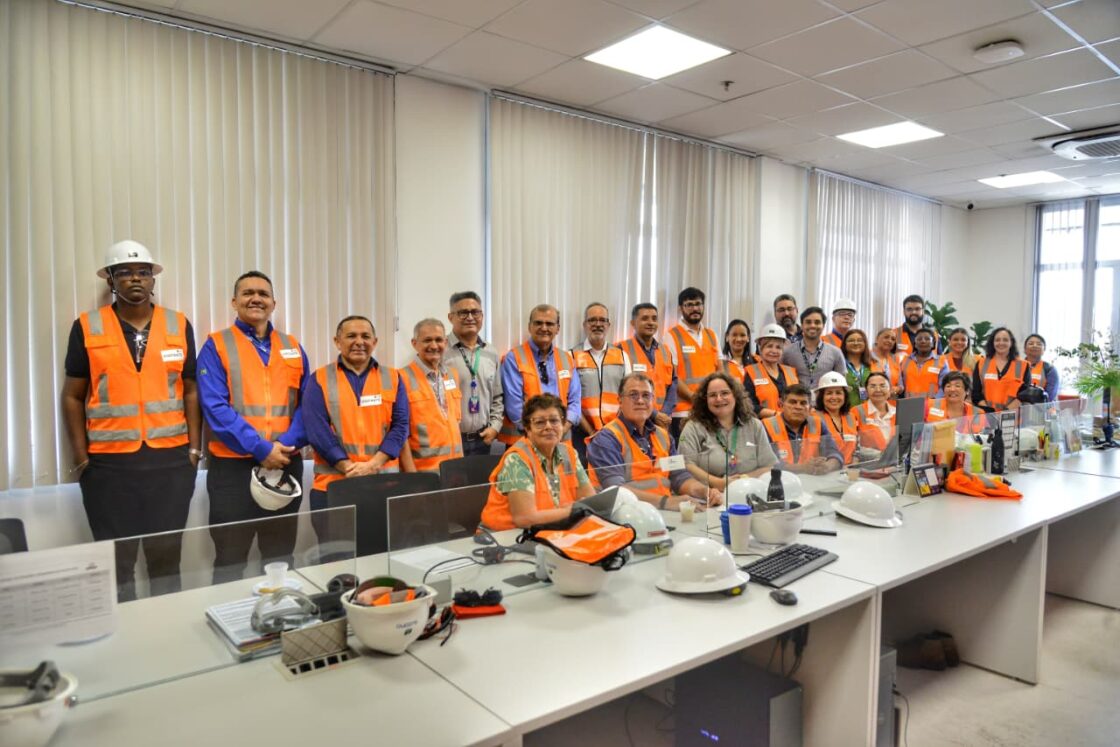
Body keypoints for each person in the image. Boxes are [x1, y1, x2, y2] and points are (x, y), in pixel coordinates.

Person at [61, 240, 201, 601]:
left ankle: (165, 625)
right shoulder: (87, 326)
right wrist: (81, 457)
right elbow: (72, 396)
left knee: (166, 559)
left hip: (170, 461)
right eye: (124, 272)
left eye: (143, 272)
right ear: (111, 280)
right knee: (116, 562)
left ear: (153, 279)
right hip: (109, 467)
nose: (135, 278)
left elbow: (190, 389)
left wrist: (194, 450)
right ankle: (123, 629)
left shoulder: (178, 324)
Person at [198, 270, 309, 585]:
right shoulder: (217, 345)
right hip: (232, 470)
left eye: (263, 293)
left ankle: (278, 612)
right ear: (234, 302)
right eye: (248, 293)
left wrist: (285, 445)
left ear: (274, 303)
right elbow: (215, 407)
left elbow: (308, 405)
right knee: (230, 561)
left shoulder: (292, 346)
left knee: (280, 557)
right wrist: (261, 448)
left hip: (285, 463)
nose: (256, 298)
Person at [303, 316, 408, 538]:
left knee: (382, 552)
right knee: (335, 554)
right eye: (351, 336)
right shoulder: (319, 379)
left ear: (375, 342)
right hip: (333, 486)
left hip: (384, 485)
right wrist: (348, 467)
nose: (359, 342)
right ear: (337, 341)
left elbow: (400, 426)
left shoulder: (393, 377)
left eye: (365, 336)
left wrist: (373, 465)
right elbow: (317, 431)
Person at [586, 373, 722, 511]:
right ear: (620, 401)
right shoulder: (606, 439)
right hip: (622, 516)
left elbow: (679, 477)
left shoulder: (664, 436)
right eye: (633, 395)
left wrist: (704, 491)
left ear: (653, 400)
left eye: (646, 395)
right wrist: (667, 502)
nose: (640, 401)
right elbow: (617, 491)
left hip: (663, 513)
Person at [479, 394, 594, 530]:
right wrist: (573, 511)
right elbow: (525, 519)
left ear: (563, 425)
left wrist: (577, 510)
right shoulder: (517, 459)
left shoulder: (569, 454)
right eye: (540, 422)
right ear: (528, 429)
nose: (548, 427)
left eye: (554, 421)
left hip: (551, 530)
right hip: (504, 536)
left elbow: (590, 501)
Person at [678, 371, 777, 490]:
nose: (719, 399)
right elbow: (686, 464)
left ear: (735, 395)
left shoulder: (754, 425)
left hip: (751, 491)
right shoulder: (693, 427)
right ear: (705, 400)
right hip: (710, 494)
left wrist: (743, 479)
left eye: (724, 393)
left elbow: (769, 465)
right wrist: (718, 483)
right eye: (712, 395)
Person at [498, 304, 581, 445]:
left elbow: (575, 401)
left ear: (557, 328)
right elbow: (513, 406)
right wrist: (541, 433)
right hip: (525, 441)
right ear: (529, 327)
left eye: (549, 324)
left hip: (561, 441)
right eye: (538, 323)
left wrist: (561, 429)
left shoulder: (567, 359)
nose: (544, 328)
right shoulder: (514, 358)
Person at [444, 291, 504, 457]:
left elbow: (498, 396)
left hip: (482, 439)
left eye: (475, 312)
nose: (470, 317)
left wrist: (495, 426)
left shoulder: (491, 352)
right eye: (463, 313)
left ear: (482, 316)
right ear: (450, 317)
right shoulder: (441, 351)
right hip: (451, 440)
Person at [399, 319, 463, 472]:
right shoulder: (401, 378)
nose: (434, 346)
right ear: (414, 343)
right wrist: (412, 475)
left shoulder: (452, 375)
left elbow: (454, 422)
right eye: (427, 340)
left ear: (445, 343)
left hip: (454, 469)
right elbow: (400, 433)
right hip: (423, 472)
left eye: (438, 340)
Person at [571, 302, 630, 462]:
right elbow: (570, 400)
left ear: (608, 325)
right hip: (582, 432)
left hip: (616, 432)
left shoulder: (622, 356)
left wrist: (612, 430)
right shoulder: (571, 356)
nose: (598, 324)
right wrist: (591, 431)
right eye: (592, 320)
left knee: (613, 472)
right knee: (585, 474)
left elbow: (628, 397)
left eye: (602, 320)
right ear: (585, 325)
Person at [667, 287, 720, 434]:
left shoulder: (711, 335)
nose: (695, 308)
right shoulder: (672, 336)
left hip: (711, 410)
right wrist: (697, 399)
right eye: (689, 305)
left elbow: (720, 371)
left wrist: (714, 400)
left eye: (698, 304)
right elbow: (672, 375)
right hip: (684, 413)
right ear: (680, 308)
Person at [618, 303, 677, 430]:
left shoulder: (665, 350)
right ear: (633, 323)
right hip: (634, 421)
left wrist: (664, 413)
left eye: (654, 319)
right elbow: (619, 388)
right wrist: (654, 415)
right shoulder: (620, 349)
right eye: (645, 318)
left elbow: (673, 383)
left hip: (662, 422)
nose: (650, 323)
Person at [761, 384, 842, 475]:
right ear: (781, 405)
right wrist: (802, 468)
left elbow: (835, 453)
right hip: (779, 480)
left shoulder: (818, 424)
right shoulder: (766, 425)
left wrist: (827, 466)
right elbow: (766, 463)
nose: (798, 407)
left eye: (803, 403)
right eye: (792, 402)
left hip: (813, 479)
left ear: (810, 408)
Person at [780, 306, 845, 390]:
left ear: (823, 326)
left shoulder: (835, 352)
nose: (812, 325)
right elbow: (782, 380)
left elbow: (841, 382)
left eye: (817, 322)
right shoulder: (788, 352)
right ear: (802, 325)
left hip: (824, 398)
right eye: (808, 322)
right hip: (797, 397)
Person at [744, 323, 799, 418]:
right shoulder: (751, 372)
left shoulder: (791, 372)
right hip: (764, 425)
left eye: (778, 347)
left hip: (791, 424)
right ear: (761, 348)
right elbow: (749, 405)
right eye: (769, 346)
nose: (774, 351)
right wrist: (777, 415)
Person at [972, 327, 1027, 412]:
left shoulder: (1023, 365)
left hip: (1012, 415)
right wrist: (989, 412)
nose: (1001, 343)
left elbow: (1024, 395)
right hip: (987, 415)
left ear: (1011, 343)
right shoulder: (981, 363)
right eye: (997, 340)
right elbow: (976, 393)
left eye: (1005, 340)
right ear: (992, 343)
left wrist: (1005, 412)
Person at [814, 372, 858, 465]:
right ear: (821, 396)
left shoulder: (851, 416)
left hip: (850, 470)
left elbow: (856, 446)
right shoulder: (813, 418)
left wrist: (855, 459)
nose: (834, 397)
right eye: (829, 393)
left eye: (838, 393)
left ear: (845, 396)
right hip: (826, 469)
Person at [853, 371, 895, 452]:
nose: (878, 390)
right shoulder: (855, 412)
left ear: (890, 390)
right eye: (873, 386)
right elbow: (852, 445)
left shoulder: (897, 412)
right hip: (867, 459)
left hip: (894, 459)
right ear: (866, 391)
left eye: (882, 386)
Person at [900, 328, 943, 399]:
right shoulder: (905, 360)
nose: (923, 341)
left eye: (927, 339)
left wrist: (934, 400)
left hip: (932, 404)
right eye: (919, 339)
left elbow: (944, 386)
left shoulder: (942, 361)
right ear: (915, 344)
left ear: (933, 343)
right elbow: (900, 384)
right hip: (908, 403)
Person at [840, 329, 874, 407]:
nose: (856, 343)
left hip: (869, 410)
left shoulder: (873, 364)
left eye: (860, 340)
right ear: (844, 344)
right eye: (851, 340)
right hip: (845, 410)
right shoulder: (838, 366)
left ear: (865, 344)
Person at [1023, 333, 1060, 402]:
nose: (1034, 346)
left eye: (1039, 344)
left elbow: (1050, 396)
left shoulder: (1050, 369)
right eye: (1031, 343)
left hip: (1042, 407)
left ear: (1044, 350)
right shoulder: (1016, 367)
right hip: (1017, 406)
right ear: (1024, 349)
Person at [871, 327, 903, 396]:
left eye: (893, 339)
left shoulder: (895, 359)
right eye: (886, 337)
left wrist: (897, 389)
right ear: (877, 339)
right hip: (871, 399)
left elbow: (901, 385)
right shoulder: (866, 356)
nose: (889, 341)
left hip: (891, 400)